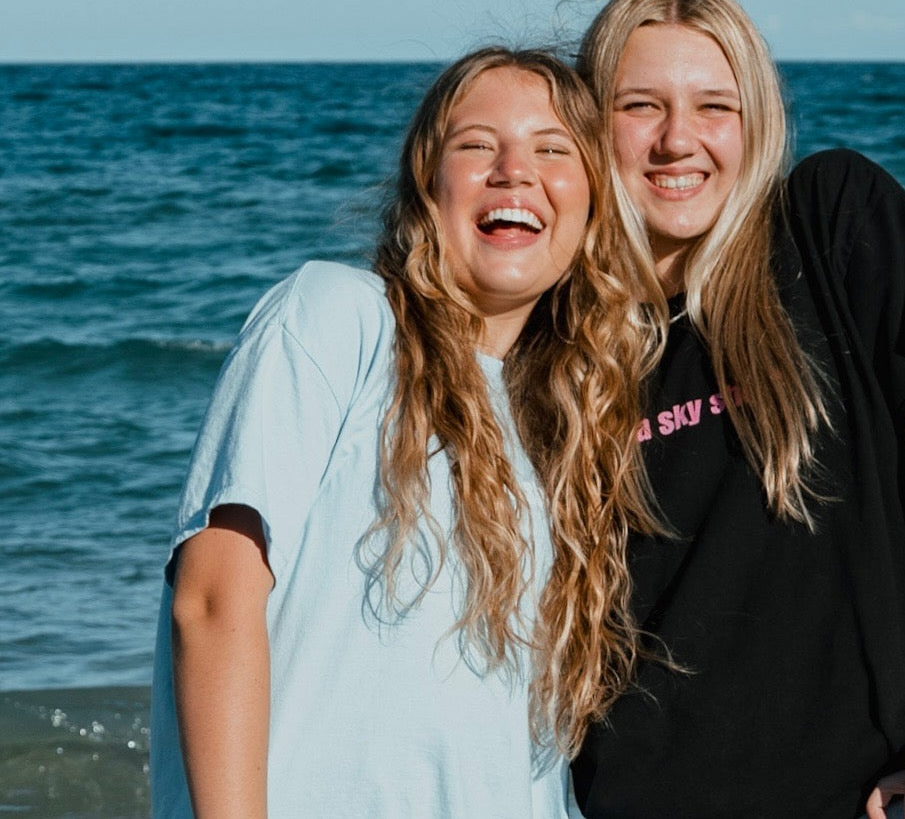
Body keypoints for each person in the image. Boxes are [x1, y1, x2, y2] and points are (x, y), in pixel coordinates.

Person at [149, 47, 658, 818]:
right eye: (477, 144)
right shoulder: (338, 317)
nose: (514, 170)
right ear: (428, 185)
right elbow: (213, 601)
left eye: (553, 149)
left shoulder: (562, 431)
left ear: (592, 203)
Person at [568, 0, 905, 819]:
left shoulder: (831, 222)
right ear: (592, 124)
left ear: (756, 121)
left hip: (903, 798)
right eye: (641, 106)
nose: (678, 140)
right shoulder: (564, 346)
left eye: (715, 106)